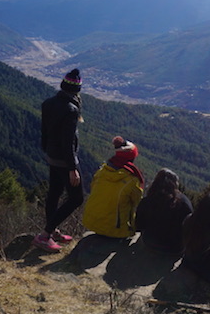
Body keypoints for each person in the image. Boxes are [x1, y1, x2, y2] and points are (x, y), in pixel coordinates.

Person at [33, 68, 85, 253]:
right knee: (76, 198)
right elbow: (68, 143)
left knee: (54, 193)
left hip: (52, 156)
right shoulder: (71, 110)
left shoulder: (48, 103)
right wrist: (73, 168)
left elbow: (44, 131)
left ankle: (52, 230)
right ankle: (45, 235)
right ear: (77, 90)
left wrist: (47, 151)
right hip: (65, 160)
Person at [82, 136, 144, 238]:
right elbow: (137, 202)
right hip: (117, 230)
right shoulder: (132, 180)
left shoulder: (101, 171)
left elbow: (93, 189)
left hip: (92, 223)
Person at [136, 168, 193, 255]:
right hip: (174, 248)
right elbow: (188, 229)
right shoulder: (184, 203)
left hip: (149, 242)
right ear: (175, 185)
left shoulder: (148, 200)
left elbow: (139, 224)